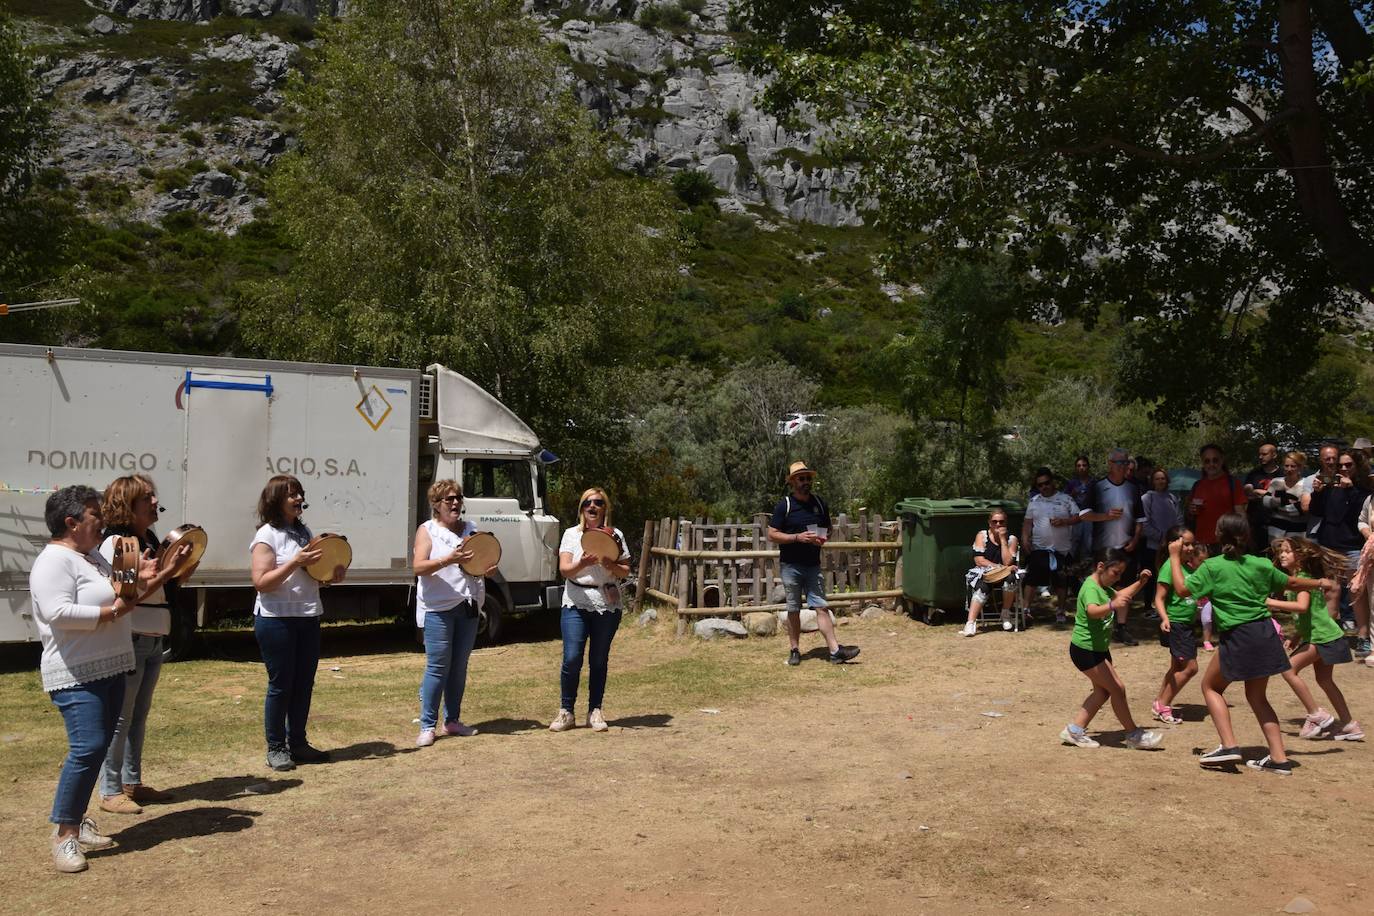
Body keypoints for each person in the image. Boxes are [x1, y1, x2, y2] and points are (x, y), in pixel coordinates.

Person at [1166, 514, 1332, 774]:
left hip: (1239, 636)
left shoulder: (1212, 567)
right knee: (1257, 696)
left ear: (1219, 536)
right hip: (1266, 634)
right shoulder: (1260, 563)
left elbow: (1181, 589)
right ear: (1246, 536)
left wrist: (1175, 557)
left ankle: (1229, 746)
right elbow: (1292, 582)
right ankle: (1279, 759)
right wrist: (1320, 582)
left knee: (1210, 687)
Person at [31, 485, 142, 872]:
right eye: (96, 515)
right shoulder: (53, 561)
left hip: (108, 665)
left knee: (93, 750)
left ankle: (77, 820)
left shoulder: (92, 556)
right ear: (72, 522)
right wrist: (112, 613)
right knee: (88, 747)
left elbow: (124, 597)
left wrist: (157, 575)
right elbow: (58, 612)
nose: (103, 522)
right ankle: (64, 836)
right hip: (76, 674)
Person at [96, 475, 188, 815]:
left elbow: (161, 590)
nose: (154, 502)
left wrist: (180, 571)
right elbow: (126, 596)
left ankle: (131, 782)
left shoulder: (146, 537)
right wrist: (166, 573)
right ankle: (109, 791)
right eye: (146, 497)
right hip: (129, 636)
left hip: (151, 637)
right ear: (126, 504)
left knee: (138, 716)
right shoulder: (119, 543)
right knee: (121, 717)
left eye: (153, 495)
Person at [250, 474, 342, 771]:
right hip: (276, 618)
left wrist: (330, 577)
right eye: (292, 495)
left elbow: (311, 576)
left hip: (307, 614)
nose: (299, 499)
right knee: (281, 685)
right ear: (276, 500)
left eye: (300, 493)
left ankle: (298, 744)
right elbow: (261, 582)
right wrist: (294, 562)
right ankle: (276, 747)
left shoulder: (303, 532)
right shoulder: (266, 535)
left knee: (303, 683)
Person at [412, 480, 497, 747]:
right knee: (438, 667)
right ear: (436, 505)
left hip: (469, 606)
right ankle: (427, 725)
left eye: (458, 498)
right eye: (449, 499)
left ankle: (452, 721)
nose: (455, 503)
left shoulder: (471, 529)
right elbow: (418, 567)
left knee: (459, 668)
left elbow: (479, 563)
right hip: (438, 608)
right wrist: (449, 559)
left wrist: (487, 568)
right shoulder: (427, 531)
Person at [1058, 548, 1163, 750]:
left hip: (1098, 649)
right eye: (1116, 573)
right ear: (1100, 567)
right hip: (1085, 650)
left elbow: (1121, 595)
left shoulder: (1104, 587)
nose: (1118, 578)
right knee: (1117, 688)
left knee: (1103, 691)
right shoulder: (1091, 588)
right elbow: (1093, 611)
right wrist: (1112, 606)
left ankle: (1074, 730)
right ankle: (1134, 734)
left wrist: (1140, 583)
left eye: (1121, 574)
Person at [551, 487, 632, 731]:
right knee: (572, 657)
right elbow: (564, 569)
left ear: (605, 508)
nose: (592, 507)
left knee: (598, 659)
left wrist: (611, 565)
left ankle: (595, 711)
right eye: (587, 503)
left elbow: (625, 569)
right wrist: (582, 563)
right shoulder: (570, 534)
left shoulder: (615, 534)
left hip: (606, 601)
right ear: (582, 509)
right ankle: (566, 711)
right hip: (575, 599)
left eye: (598, 503)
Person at [1267, 537, 1363, 741]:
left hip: (1322, 636)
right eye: (1280, 552)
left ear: (1300, 556)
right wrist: (1296, 635)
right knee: (1325, 680)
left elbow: (1302, 607)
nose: (1281, 555)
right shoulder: (1303, 578)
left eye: (1287, 551)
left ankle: (1316, 714)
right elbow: (1310, 614)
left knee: (1288, 669)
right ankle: (1349, 724)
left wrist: (1270, 602)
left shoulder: (1302, 579)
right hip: (1324, 634)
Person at [768, 462, 860, 665]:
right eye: (801, 478)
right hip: (791, 565)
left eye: (808, 478)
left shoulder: (819, 503)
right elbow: (772, 534)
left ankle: (835, 651)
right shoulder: (785, 505)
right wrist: (797, 538)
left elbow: (828, 528)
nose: (806, 482)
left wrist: (823, 538)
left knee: (821, 607)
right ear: (793, 482)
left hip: (813, 565)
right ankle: (794, 650)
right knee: (793, 609)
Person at [1308, 448, 1372, 631]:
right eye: (1340, 465)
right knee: (1330, 591)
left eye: (1348, 465)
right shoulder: (1330, 488)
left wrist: (1350, 489)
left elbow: (1358, 517)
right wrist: (1318, 493)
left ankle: (1363, 635)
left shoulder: (1363, 491)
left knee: (1355, 593)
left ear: (1357, 466)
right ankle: (1330, 634)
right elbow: (1316, 511)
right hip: (1328, 546)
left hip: (1352, 546)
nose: (1343, 468)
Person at [1084, 448, 1144, 645]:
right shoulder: (1097, 486)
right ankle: (1100, 624)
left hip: (1125, 547)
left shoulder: (1133, 488)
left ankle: (1121, 627)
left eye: (1126, 462)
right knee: (1101, 587)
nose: (1124, 466)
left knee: (1124, 587)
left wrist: (1135, 539)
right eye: (1120, 462)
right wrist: (1105, 516)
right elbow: (1083, 515)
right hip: (1103, 548)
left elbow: (1140, 519)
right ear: (1110, 464)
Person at [1151, 527, 1203, 724]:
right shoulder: (1168, 567)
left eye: (1192, 543)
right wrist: (1165, 618)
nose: (1190, 548)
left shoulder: (1187, 567)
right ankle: (1163, 705)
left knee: (1176, 667)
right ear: (1173, 544)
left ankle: (1159, 701)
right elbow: (1159, 597)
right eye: (1186, 544)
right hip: (1176, 624)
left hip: (1187, 624)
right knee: (1190, 668)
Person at [1021, 468, 1082, 625]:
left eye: (1047, 483)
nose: (1044, 487)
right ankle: (1026, 610)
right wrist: (1025, 538)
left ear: (1052, 482)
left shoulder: (1066, 499)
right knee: (1031, 579)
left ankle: (1060, 610)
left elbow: (1078, 517)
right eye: (1040, 485)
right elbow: (1028, 522)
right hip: (1039, 548)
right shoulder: (1034, 501)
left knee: (1061, 581)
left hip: (1061, 549)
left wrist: (1064, 522)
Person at [963, 507, 1020, 636]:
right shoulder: (982, 536)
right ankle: (970, 622)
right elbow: (979, 560)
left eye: (1001, 522)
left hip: (1005, 575)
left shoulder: (1012, 539)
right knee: (982, 586)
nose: (998, 524)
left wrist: (1003, 540)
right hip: (986, 573)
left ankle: (1005, 613)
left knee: (1011, 580)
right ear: (989, 523)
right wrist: (999, 568)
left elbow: (1008, 562)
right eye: (995, 522)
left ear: (1006, 523)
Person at [1185, 444, 1247, 549]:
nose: (1211, 464)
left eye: (1215, 460)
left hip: (1226, 543)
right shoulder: (1197, 485)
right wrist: (1191, 511)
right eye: (1207, 461)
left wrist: (1241, 541)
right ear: (1203, 463)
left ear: (1222, 460)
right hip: (1201, 544)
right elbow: (1190, 515)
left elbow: (1241, 515)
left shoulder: (1233, 483)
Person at [1262, 450, 1310, 543]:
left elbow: (1301, 509)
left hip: (1297, 531)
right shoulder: (1276, 482)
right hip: (1275, 530)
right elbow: (1265, 501)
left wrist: (1276, 505)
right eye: (1286, 466)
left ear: (1300, 467)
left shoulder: (1306, 483)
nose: (1289, 469)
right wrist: (1285, 501)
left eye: (1293, 466)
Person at [1243, 443, 1281, 552]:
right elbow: (1247, 492)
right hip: (1255, 522)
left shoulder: (1282, 474)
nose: (1260, 457)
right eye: (1260, 454)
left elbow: (1282, 497)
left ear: (1274, 455)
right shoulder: (1254, 474)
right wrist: (1268, 494)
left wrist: (1258, 492)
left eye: (1264, 454)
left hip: (1276, 522)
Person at [1140, 468, 1182, 563]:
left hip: (1172, 545)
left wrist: (1176, 536)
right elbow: (1144, 524)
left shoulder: (1172, 498)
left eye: (1163, 478)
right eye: (1157, 479)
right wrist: (1162, 537)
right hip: (1153, 548)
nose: (1160, 481)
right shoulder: (1147, 498)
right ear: (1152, 481)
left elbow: (1179, 519)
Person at [1063, 455, 1095, 563]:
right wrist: (1072, 494)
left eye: (1084, 465)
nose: (1081, 468)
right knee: (1073, 545)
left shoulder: (1094, 483)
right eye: (1078, 466)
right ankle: (1071, 573)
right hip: (1075, 517)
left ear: (1088, 467)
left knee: (1087, 545)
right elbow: (1064, 500)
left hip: (1090, 517)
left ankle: (1084, 572)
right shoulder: (1071, 483)